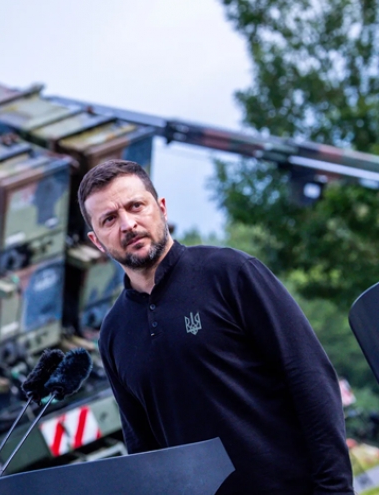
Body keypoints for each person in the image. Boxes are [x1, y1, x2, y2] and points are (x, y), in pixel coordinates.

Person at [78, 159, 353, 494]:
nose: (128, 224)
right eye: (109, 219)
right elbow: (144, 450)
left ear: (161, 208)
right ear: (96, 241)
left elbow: (310, 379)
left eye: (136, 206)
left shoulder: (231, 273)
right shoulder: (114, 333)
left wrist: (335, 489)